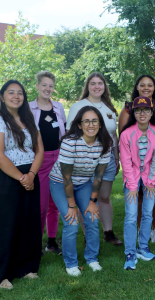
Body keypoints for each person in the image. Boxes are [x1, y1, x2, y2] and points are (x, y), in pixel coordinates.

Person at [49, 106, 113, 276]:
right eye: (86, 121)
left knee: (92, 218)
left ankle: (92, 258)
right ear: (79, 124)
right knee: (72, 221)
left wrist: (92, 202)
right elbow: (66, 178)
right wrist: (72, 205)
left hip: (84, 183)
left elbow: (99, 176)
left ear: (100, 124)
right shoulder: (70, 142)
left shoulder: (106, 143)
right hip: (60, 183)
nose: (90, 124)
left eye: (94, 121)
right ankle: (71, 263)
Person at [67, 72, 122, 246]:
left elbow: (114, 136)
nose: (97, 86)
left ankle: (108, 232)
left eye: (100, 83)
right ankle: (87, 234)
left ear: (104, 86)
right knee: (86, 198)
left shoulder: (109, 108)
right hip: (86, 160)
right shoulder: (79, 106)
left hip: (108, 160)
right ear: (87, 86)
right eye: (93, 83)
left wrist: (116, 157)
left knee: (104, 196)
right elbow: (71, 133)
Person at [0, 80, 44, 289]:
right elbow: (0, 155)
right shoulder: (0, 120)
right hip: (9, 177)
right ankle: (3, 274)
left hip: (30, 175)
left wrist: (32, 174)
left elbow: (39, 150)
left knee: (29, 222)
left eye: (20, 93)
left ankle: (26, 268)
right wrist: (21, 177)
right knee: (8, 224)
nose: (16, 96)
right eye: (11, 93)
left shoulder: (29, 119)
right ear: (2, 97)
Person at [118, 75, 155, 243]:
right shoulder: (128, 107)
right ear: (137, 87)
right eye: (143, 85)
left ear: (154, 87)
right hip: (133, 162)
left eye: (150, 85)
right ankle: (140, 229)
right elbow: (124, 138)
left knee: (154, 193)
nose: (146, 88)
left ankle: (154, 229)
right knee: (137, 195)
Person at [119, 96, 155, 270]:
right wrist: (131, 186)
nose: (142, 113)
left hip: (150, 176)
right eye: (138, 110)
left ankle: (143, 247)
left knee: (147, 213)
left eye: (146, 110)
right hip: (132, 176)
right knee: (131, 215)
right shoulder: (126, 134)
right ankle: (130, 251)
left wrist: (151, 182)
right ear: (134, 113)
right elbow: (126, 162)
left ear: (152, 112)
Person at [29, 71, 66, 254]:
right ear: (37, 86)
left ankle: (51, 242)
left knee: (55, 203)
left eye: (50, 85)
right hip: (39, 160)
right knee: (41, 204)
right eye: (44, 85)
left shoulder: (58, 107)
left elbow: (63, 133)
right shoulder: (28, 108)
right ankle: (35, 242)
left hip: (58, 158)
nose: (47, 89)